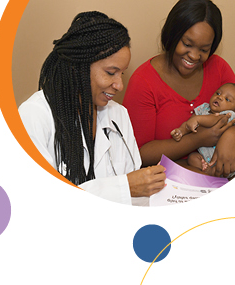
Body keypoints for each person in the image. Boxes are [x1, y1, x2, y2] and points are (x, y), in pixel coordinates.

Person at [18, 11, 168, 205]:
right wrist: (124, 188)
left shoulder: (119, 114)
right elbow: (40, 200)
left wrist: (150, 183)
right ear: (78, 66)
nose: (119, 85)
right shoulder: (34, 115)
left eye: (121, 73)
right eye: (111, 73)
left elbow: (136, 194)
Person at [123, 0, 235, 179]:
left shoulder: (219, 67)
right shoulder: (143, 81)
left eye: (204, 49)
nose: (194, 56)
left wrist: (231, 138)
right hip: (173, 167)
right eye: (187, 45)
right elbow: (139, 154)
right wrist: (198, 139)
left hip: (220, 156)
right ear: (172, 34)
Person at [169, 82, 235, 170]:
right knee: (192, 158)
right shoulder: (203, 108)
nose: (220, 97)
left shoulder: (229, 115)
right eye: (218, 93)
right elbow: (190, 122)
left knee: (227, 167)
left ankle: (214, 173)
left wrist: (198, 119)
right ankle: (207, 171)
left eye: (227, 99)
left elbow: (214, 120)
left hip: (223, 157)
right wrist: (181, 130)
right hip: (203, 156)